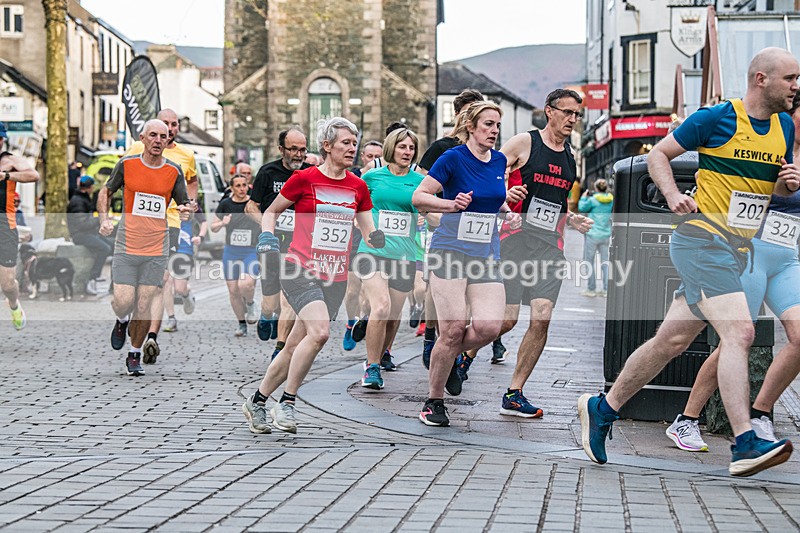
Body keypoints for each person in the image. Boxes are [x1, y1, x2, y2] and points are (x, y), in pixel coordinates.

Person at [578, 47, 799, 477]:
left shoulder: (784, 126)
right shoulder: (717, 118)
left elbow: (766, 193)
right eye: (791, 78)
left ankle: (602, 409)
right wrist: (674, 194)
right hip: (701, 239)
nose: (797, 86)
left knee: (671, 341)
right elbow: (657, 156)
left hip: (739, 248)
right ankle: (745, 440)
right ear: (761, 79)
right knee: (740, 332)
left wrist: (786, 186)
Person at [666, 91, 800, 453]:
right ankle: (687, 420)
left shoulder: (788, 149)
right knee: (737, 336)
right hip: (747, 250)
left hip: (787, 255)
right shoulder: (768, 140)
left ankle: (761, 413)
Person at [242, 117, 385, 435]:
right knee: (319, 334)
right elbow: (271, 212)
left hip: (335, 275)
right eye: (346, 142)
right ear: (327, 145)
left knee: (295, 344)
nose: (352, 147)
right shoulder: (305, 179)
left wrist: (376, 238)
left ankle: (257, 400)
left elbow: (366, 227)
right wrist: (267, 236)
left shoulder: (357, 186)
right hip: (299, 268)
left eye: (354, 142)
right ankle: (288, 403)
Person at [458, 89, 593, 417]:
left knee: (542, 318)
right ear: (550, 111)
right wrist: (507, 192)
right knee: (505, 321)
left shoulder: (569, 155)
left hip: (550, 247)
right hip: (514, 240)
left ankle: (514, 392)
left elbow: (557, 201)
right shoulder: (524, 142)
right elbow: (485, 173)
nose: (572, 120)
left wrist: (572, 217)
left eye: (577, 115)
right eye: (567, 113)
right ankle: (460, 354)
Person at [411, 101, 520, 427]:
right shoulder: (453, 159)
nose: (494, 131)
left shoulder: (499, 160)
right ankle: (434, 401)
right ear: (470, 126)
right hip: (450, 251)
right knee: (454, 327)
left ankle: (449, 355)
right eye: (488, 124)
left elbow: (491, 197)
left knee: (489, 325)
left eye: (497, 126)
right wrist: (449, 203)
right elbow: (419, 197)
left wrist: (506, 207)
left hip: (486, 253)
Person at [99, 119, 192, 375]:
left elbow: (184, 202)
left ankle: (134, 354)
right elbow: (106, 191)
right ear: (142, 138)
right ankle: (120, 321)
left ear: (168, 141)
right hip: (127, 243)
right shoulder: (127, 165)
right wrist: (104, 218)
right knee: (123, 301)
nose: (158, 140)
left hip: (156, 246)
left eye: (163, 136)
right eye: (153, 135)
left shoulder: (173, 171)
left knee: (143, 303)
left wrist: (187, 209)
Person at [355, 127, 426, 389]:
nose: (407, 152)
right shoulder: (372, 176)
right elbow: (356, 205)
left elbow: (430, 212)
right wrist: (364, 228)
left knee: (393, 315)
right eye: (402, 147)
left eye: (411, 148)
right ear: (391, 148)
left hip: (404, 255)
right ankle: (371, 367)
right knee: (382, 307)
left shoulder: (419, 181)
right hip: (372, 252)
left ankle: (382, 350)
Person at [125, 108, 198, 363]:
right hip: (138, 227)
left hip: (171, 224)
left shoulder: (186, 155)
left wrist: (190, 203)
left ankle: (151, 336)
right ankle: (131, 322)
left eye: (173, 125)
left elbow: (193, 182)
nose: (169, 129)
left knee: (160, 281)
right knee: (136, 288)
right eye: (164, 124)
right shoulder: (136, 149)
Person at [246, 127, 311, 356]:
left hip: (299, 245)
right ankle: (266, 316)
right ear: (281, 149)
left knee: (289, 300)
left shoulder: (311, 174)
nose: (298, 155)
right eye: (293, 149)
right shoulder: (267, 172)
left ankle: (281, 348)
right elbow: (250, 206)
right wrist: (267, 226)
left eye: (302, 149)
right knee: (271, 304)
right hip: (271, 245)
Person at [0, 120, 40, 330]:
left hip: (5, 226)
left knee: (7, 283)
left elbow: (33, 175)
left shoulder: (9, 160)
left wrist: (6, 176)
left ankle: (14, 304)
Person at [212, 174, 261, 336]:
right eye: (238, 186)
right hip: (231, 251)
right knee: (233, 290)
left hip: (250, 250)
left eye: (244, 185)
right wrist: (222, 223)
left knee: (245, 285)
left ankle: (250, 303)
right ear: (231, 188)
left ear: (248, 186)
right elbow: (213, 227)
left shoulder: (253, 203)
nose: (241, 189)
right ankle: (241, 324)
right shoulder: (226, 204)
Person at [162, 205, 207, 332]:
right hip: (168, 248)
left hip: (184, 250)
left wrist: (200, 237)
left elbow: (203, 221)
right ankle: (171, 318)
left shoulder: (190, 203)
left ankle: (186, 295)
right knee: (166, 282)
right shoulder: (166, 200)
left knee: (179, 288)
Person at [67, 175, 113, 295]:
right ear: (89, 187)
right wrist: (100, 219)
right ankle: (92, 279)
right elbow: (82, 224)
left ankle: (113, 284)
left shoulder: (82, 198)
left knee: (112, 246)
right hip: (80, 235)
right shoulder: (78, 201)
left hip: (88, 233)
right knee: (105, 248)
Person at [578, 178, 614, 297]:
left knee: (589, 261)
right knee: (605, 262)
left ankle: (591, 289)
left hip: (592, 234)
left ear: (596, 188)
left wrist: (583, 197)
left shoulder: (592, 200)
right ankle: (606, 289)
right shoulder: (610, 200)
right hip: (605, 234)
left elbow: (582, 208)